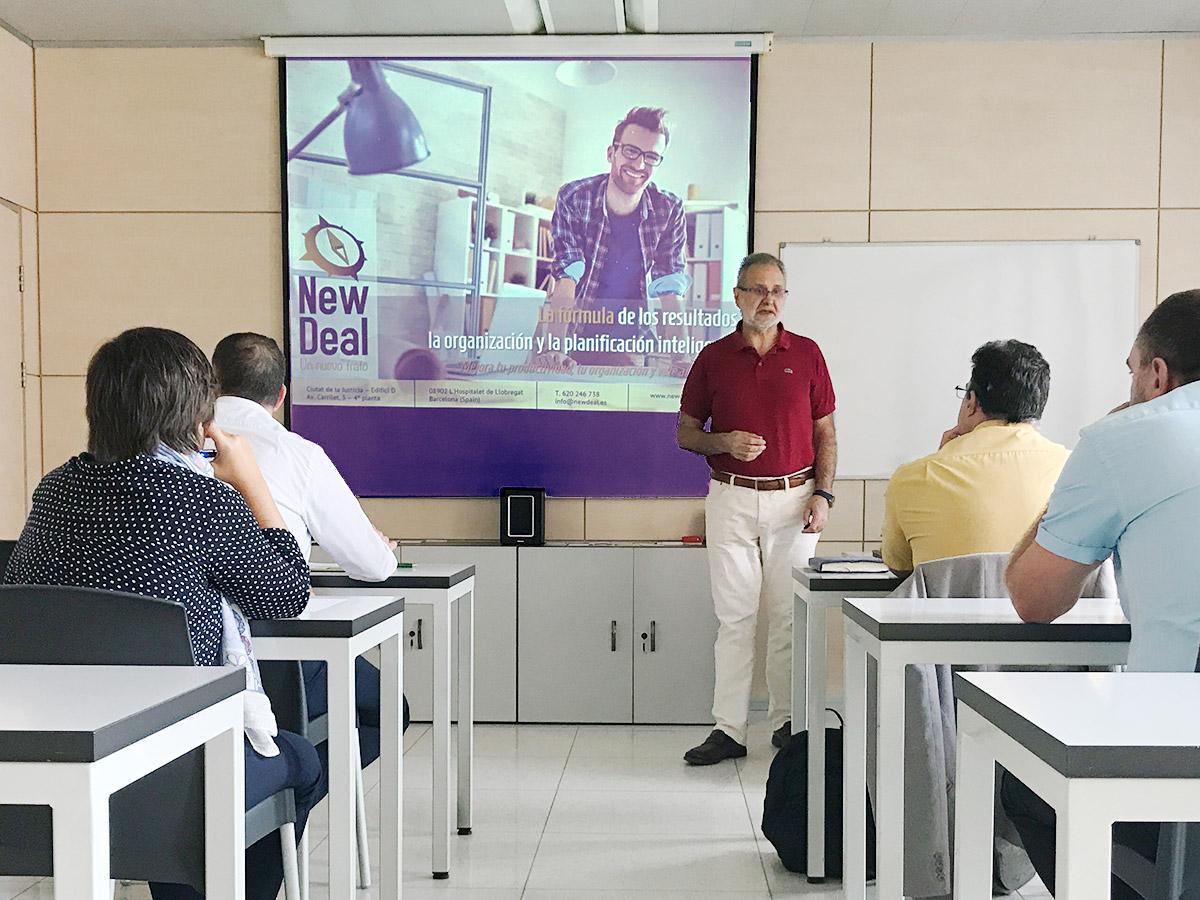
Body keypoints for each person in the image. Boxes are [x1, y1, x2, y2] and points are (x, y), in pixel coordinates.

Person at [3, 327, 325, 900]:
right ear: (197, 417)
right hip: (182, 779)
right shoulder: (202, 498)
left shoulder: (55, 492)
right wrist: (251, 483)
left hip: (50, 780)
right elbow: (286, 595)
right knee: (300, 759)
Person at [1001, 289, 1200, 897]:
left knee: (1022, 784)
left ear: (1156, 373)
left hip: (1178, 748)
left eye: (1132, 369)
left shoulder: (1129, 437)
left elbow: (1033, 600)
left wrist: (1082, 478)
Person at [211, 332, 407, 768]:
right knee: (388, 710)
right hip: (279, 649)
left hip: (191, 664)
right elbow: (374, 566)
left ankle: (277, 800)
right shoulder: (298, 454)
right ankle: (292, 797)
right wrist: (380, 544)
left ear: (211, 384)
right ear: (281, 394)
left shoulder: (173, 449)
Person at [677, 252, 838, 764]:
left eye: (777, 291)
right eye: (758, 290)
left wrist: (823, 494)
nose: (769, 300)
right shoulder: (713, 357)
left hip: (796, 500)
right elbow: (685, 433)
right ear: (738, 296)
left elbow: (826, 433)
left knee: (789, 618)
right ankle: (728, 729)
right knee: (735, 618)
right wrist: (723, 439)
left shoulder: (808, 354)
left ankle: (788, 723)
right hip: (731, 498)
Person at [881, 339, 1069, 573]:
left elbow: (899, 566)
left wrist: (939, 462)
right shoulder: (1071, 469)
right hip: (1043, 609)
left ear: (971, 401)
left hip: (943, 610)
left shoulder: (913, 477)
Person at [542, 106, 688, 367]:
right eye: (631, 151)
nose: (639, 164)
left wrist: (682, 358)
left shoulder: (669, 209)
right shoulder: (575, 197)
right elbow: (566, 276)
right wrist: (555, 349)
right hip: (575, 336)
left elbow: (669, 287)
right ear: (612, 152)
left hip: (629, 343)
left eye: (652, 157)